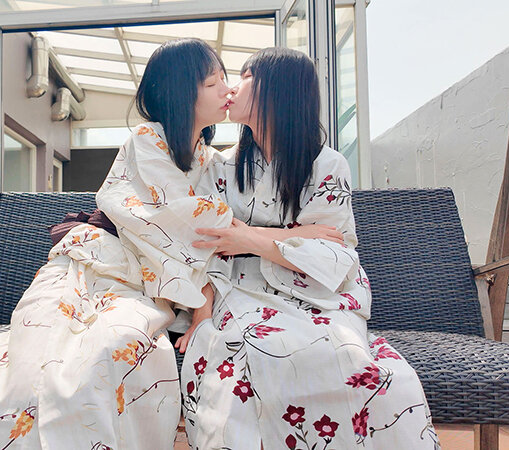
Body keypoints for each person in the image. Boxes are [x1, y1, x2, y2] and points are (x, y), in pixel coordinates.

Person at [0, 38, 233, 450]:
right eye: (213, 83)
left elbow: (205, 223)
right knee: (45, 354)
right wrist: (203, 300)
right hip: (94, 263)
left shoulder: (209, 158)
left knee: (119, 342)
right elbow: (173, 219)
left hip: (142, 281)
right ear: (181, 93)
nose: (226, 90)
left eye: (225, 80)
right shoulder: (146, 139)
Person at [182, 47, 440, 449]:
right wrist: (293, 235)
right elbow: (210, 243)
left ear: (276, 90)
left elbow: (330, 253)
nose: (231, 88)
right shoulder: (218, 167)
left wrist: (246, 237)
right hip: (242, 289)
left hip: (318, 296)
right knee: (253, 360)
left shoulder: (328, 165)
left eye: (245, 77)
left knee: (350, 364)